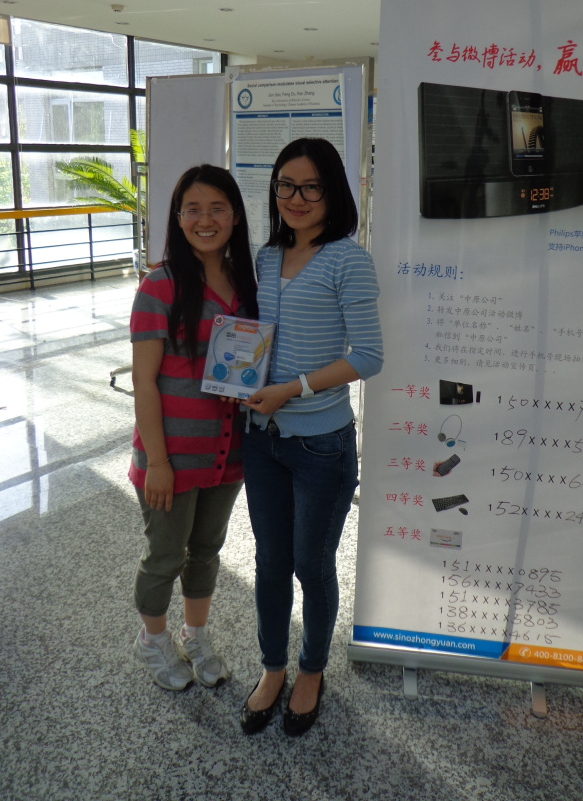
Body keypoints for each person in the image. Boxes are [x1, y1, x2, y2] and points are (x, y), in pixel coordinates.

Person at [238, 137, 383, 736]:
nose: (296, 198)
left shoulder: (348, 259)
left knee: (310, 564)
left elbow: (368, 356)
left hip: (321, 443)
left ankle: (311, 671)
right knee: (269, 562)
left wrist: (291, 389)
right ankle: (273, 667)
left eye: (310, 187)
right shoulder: (265, 256)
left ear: (332, 192)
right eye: (285, 185)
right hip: (260, 438)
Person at [129, 164, 258, 691]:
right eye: (193, 209)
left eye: (217, 208)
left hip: (227, 453)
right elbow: (143, 381)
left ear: (235, 216)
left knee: (205, 552)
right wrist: (158, 463)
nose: (205, 220)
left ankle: (195, 635)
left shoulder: (247, 282)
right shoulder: (159, 285)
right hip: (171, 457)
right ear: (178, 217)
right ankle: (153, 640)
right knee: (165, 556)